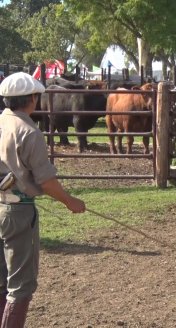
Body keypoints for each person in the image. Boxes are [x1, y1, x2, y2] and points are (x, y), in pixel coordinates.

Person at [0, 72, 85, 327]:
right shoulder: (28, 131)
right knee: (21, 286)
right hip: (17, 212)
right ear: (32, 99)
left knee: (2, 280)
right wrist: (70, 201)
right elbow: (46, 182)